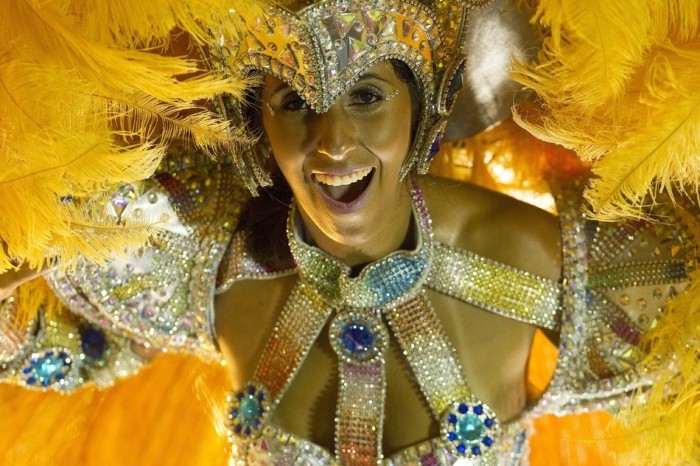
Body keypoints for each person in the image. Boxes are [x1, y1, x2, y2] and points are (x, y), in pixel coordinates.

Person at [1, 0, 698, 465]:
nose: (331, 144)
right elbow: (71, 341)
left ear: (422, 108)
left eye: (366, 96)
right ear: (256, 127)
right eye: (295, 104)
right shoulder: (201, 246)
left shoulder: (525, 257)